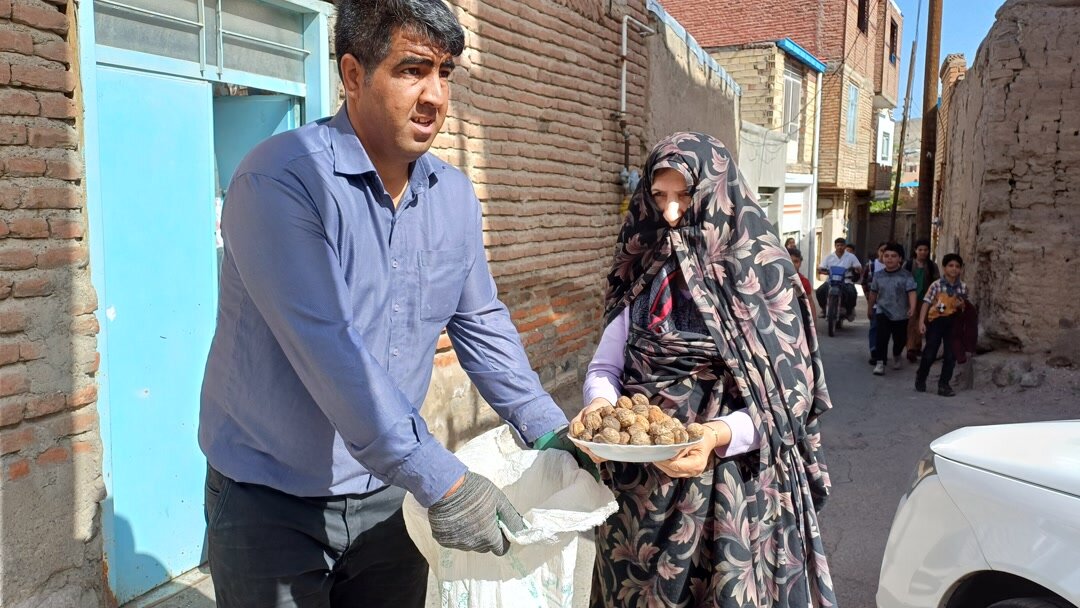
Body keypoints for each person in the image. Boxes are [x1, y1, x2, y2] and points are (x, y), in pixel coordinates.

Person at [198, 2, 577, 605]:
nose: (435, 96)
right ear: (352, 75)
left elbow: (481, 324)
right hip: (269, 503)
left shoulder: (452, 196)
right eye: (412, 70)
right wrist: (445, 483)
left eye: (445, 73)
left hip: (388, 497)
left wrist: (552, 434)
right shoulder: (280, 181)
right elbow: (331, 354)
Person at [576, 133, 836, 608]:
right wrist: (599, 409)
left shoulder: (764, 273)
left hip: (728, 489)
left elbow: (789, 401)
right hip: (640, 498)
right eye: (660, 197)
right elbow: (605, 365)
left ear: (716, 193)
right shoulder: (641, 267)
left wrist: (715, 435)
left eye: (684, 195)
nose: (671, 212)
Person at [915, 254, 968, 396]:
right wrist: (921, 322)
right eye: (951, 266)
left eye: (957, 266)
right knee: (930, 352)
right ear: (944, 268)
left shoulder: (962, 287)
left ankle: (944, 384)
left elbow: (963, 307)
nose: (954, 269)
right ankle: (921, 376)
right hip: (936, 321)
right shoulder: (936, 285)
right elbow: (926, 303)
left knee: (951, 355)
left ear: (961, 269)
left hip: (953, 322)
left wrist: (961, 305)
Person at [867, 243, 917, 375]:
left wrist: (912, 307)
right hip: (882, 310)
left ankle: (896, 354)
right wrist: (870, 308)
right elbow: (873, 293)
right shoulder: (878, 275)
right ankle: (880, 363)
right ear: (882, 257)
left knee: (900, 339)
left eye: (893, 256)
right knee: (881, 337)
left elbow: (911, 292)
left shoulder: (906, 276)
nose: (889, 259)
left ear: (900, 259)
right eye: (886, 256)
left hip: (901, 313)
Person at [903, 239, 940, 362]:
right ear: (915, 251)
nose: (923, 252)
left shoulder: (931, 266)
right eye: (920, 250)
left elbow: (937, 282)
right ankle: (911, 349)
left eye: (925, 250)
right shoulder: (908, 265)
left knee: (922, 322)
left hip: (926, 300)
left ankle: (916, 347)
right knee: (911, 323)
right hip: (910, 298)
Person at [815, 237, 861, 319]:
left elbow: (858, 267)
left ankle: (849, 311)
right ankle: (824, 309)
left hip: (846, 281)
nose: (840, 247)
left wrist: (857, 270)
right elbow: (821, 267)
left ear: (845, 246)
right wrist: (820, 269)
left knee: (852, 293)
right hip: (831, 281)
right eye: (838, 245)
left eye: (842, 245)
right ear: (835, 246)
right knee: (820, 291)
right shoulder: (829, 257)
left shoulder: (851, 257)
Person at [863, 241, 888, 363]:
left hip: (890, 305)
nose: (884, 254)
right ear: (878, 252)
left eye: (886, 251)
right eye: (882, 250)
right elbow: (864, 282)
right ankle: (874, 351)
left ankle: (884, 352)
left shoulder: (895, 266)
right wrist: (869, 300)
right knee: (874, 327)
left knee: (886, 330)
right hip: (875, 303)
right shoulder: (872, 265)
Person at [790, 248, 818, 320]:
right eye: (790, 261)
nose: (792, 264)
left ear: (800, 263)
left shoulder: (804, 282)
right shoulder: (775, 279)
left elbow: (810, 302)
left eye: (796, 261)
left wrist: (813, 324)